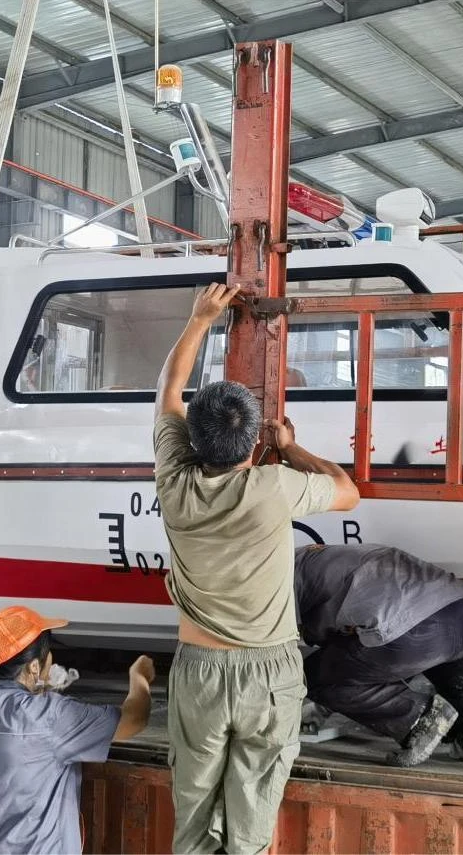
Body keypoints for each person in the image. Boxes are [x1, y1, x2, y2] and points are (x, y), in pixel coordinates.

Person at [154, 283, 361, 855]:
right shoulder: (275, 485)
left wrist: (200, 318)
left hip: (198, 671)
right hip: (269, 674)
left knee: (192, 822)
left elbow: (170, 390)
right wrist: (292, 448)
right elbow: (348, 491)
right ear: (253, 446)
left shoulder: (175, 483)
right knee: (251, 829)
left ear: (193, 440)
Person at [0, 606, 155, 854]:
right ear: (33, 667)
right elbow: (133, 719)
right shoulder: (50, 717)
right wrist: (139, 677)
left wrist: (36, 694)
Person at [294, 543, 463, 765]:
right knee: (429, 642)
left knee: (314, 676)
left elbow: (281, 648)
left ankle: (420, 720)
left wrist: (319, 697)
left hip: (418, 631)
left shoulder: (278, 578)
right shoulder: (320, 558)